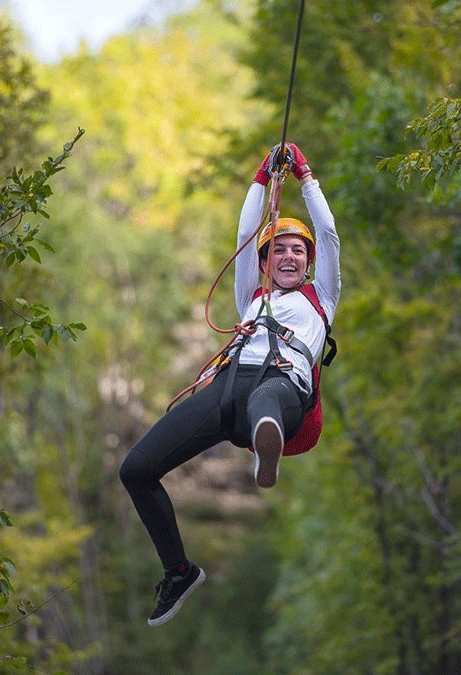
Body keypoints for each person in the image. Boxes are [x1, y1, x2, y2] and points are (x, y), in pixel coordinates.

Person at [118, 143, 340, 627]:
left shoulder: (322, 299)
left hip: (284, 390)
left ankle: (268, 445)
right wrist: (261, 178)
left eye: (296, 251)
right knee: (135, 469)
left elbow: (327, 231)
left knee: (267, 398)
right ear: (264, 262)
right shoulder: (250, 298)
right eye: (277, 250)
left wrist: (305, 177)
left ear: (309, 263)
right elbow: (244, 233)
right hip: (227, 390)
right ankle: (178, 571)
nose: (287, 256)